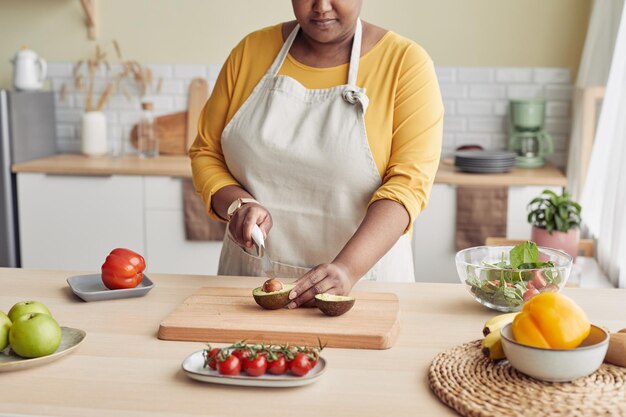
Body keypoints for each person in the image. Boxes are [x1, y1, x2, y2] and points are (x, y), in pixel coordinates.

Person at [189, 0, 443, 309]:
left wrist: (347, 269)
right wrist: (237, 203)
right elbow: (207, 152)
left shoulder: (404, 63)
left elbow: (407, 187)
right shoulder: (250, 52)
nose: (321, 6)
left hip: (364, 288)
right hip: (249, 286)